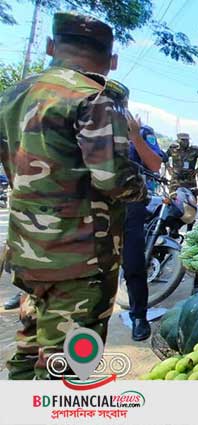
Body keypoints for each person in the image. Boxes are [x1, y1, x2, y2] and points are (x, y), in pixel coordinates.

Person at [0, 13, 146, 379]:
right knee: (68, 371)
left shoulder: (12, 97)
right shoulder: (93, 98)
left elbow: (10, 166)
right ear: (112, 61)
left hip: (28, 252)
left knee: (29, 348)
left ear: (52, 47)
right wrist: (140, 186)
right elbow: (115, 180)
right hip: (80, 260)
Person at [120, 119, 165, 342]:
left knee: (134, 264)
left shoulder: (141, 131)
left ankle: (139, 316)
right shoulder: (85, 125)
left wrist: (135, 136)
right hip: (92, 206)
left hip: (130, 205)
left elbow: (155, 165)